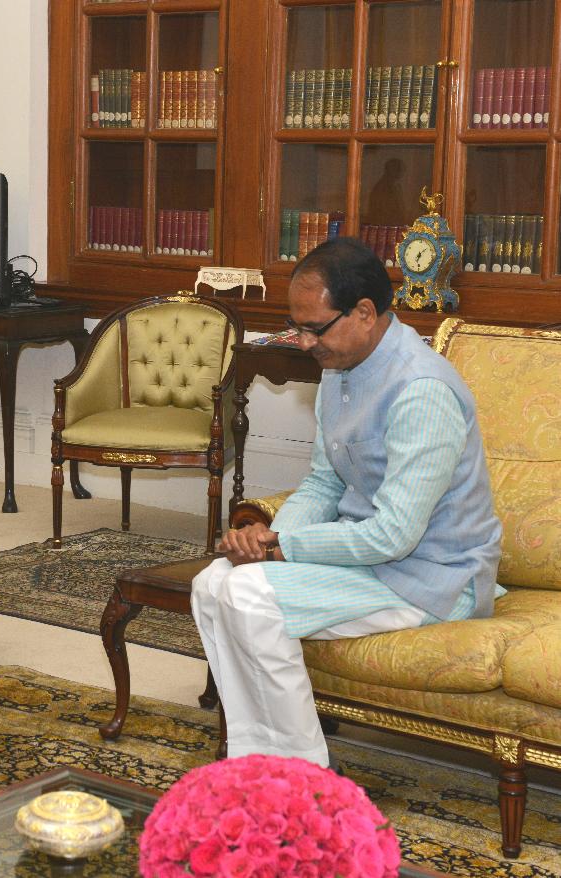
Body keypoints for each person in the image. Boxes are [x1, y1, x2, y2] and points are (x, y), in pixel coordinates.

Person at [191, 236, 502, 768]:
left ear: (364, 313)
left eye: (315, 328)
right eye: (297, 327)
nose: (304, 342)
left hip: (433, 578)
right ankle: (256, 764)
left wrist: (282, 548)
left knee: (246, 595)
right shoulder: (340, 369)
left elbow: (393, 536)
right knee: (212, 585)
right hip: (373, 565)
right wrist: (269, 540)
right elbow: (324, 483)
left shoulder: (421, 390)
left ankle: (303, 777)